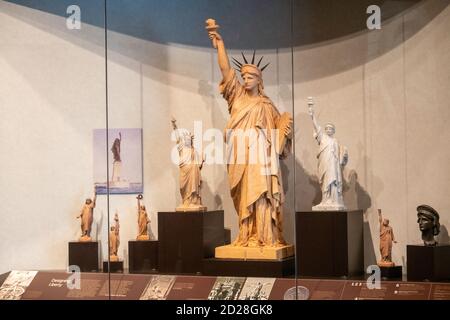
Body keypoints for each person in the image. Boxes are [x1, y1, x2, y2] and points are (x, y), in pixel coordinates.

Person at [207, 19, 292, 247]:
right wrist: (220, 45)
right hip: (240, 157)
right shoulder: (237, 97)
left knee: (262, 194)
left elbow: (280, 138)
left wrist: (286, 132)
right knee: (244, 196)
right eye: (243, 76)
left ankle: (264, 236)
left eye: (250, 77)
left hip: (260, 160)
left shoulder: (266, 104)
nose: (245, 79)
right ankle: (246, 234)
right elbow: (226, 71)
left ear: (259, 80)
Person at [308, 97, 348, 211]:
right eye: (327, 128)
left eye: (330, 128)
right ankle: (326, 200)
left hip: (333, 166)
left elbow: (342, 158)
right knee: (326, 181)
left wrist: (344, 156)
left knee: (333, 181)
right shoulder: (323, 138)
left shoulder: (335, 141)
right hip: (325, 164)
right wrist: (312, 114)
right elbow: (316, 126)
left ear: (333, 131)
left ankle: (334, 200)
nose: (328, 130)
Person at [171, 118, 205, 211]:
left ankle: (193, 201)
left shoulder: (193, 150)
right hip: (184, 170)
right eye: (186, 139)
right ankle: (185, 201)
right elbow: (177, 138)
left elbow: (198, 164)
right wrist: (174, 126)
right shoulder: (181, 148)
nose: (187, 141)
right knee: (182, 187)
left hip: (192, 171)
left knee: (193, 187)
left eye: (189, 139)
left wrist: (202, 160)